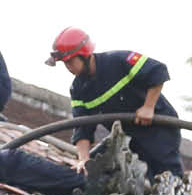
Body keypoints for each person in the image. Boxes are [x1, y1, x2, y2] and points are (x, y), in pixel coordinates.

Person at [45, 27, 183, 180]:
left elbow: (158, 71)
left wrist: (148, 107)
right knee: (92, 171)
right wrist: (83, 159)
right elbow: (82, 127)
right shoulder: (78, 89)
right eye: (65, 63)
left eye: (70, 61)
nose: (69, 67)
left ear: (84, 55)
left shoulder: (118, 60)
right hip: (126, 137)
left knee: (165, 176)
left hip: (159, 129)